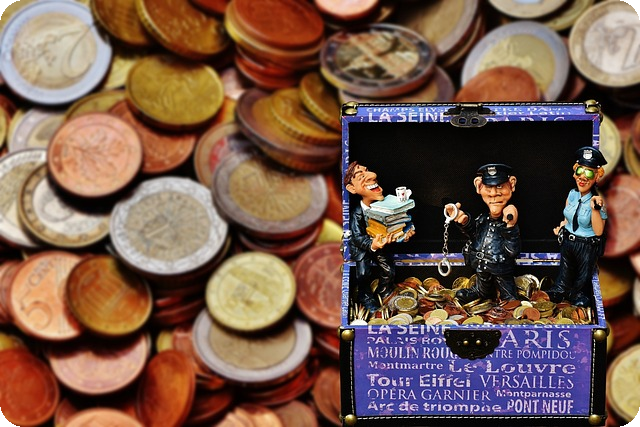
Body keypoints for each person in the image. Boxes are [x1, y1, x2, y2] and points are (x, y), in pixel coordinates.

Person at [344, 160, 415, 311]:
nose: (372, 175)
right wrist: (372, 244)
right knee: (363, 273)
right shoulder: (357, 213)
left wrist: (404, 233)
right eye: (361, 176)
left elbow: (397, 224)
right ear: (352, 188)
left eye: (367, 170)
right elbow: (357, 237)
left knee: (388, 268)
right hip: (362, 248)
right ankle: (365, 295)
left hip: (381, 245)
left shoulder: (388, 208)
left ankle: (385, 292)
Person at [445, 163, 521, 304]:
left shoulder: (507, 222)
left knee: (508, 294)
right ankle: (482, 292)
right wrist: (464, 221)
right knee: (482, 284)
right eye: (488, 187)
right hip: (481, 266)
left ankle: (509, 299)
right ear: (479, 186)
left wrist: (510, 227)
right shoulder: (483, 218)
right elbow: (474, 235)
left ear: (511, 184)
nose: (493, 193)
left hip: (500, 266)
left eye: (500, 186)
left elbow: (513, 250)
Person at [547, 146, 607, 307]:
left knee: (583, 272)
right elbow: (567, 216)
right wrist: (562, 227)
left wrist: (595, 209)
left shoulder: (598, 202)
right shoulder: (572, 194)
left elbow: (599, 231)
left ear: (597, 177)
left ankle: (578, 294)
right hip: (568, 241)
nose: (583, 177)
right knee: (565, 268)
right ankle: (560, 289)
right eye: (580, 170)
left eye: (589, 173)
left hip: (586, 245)